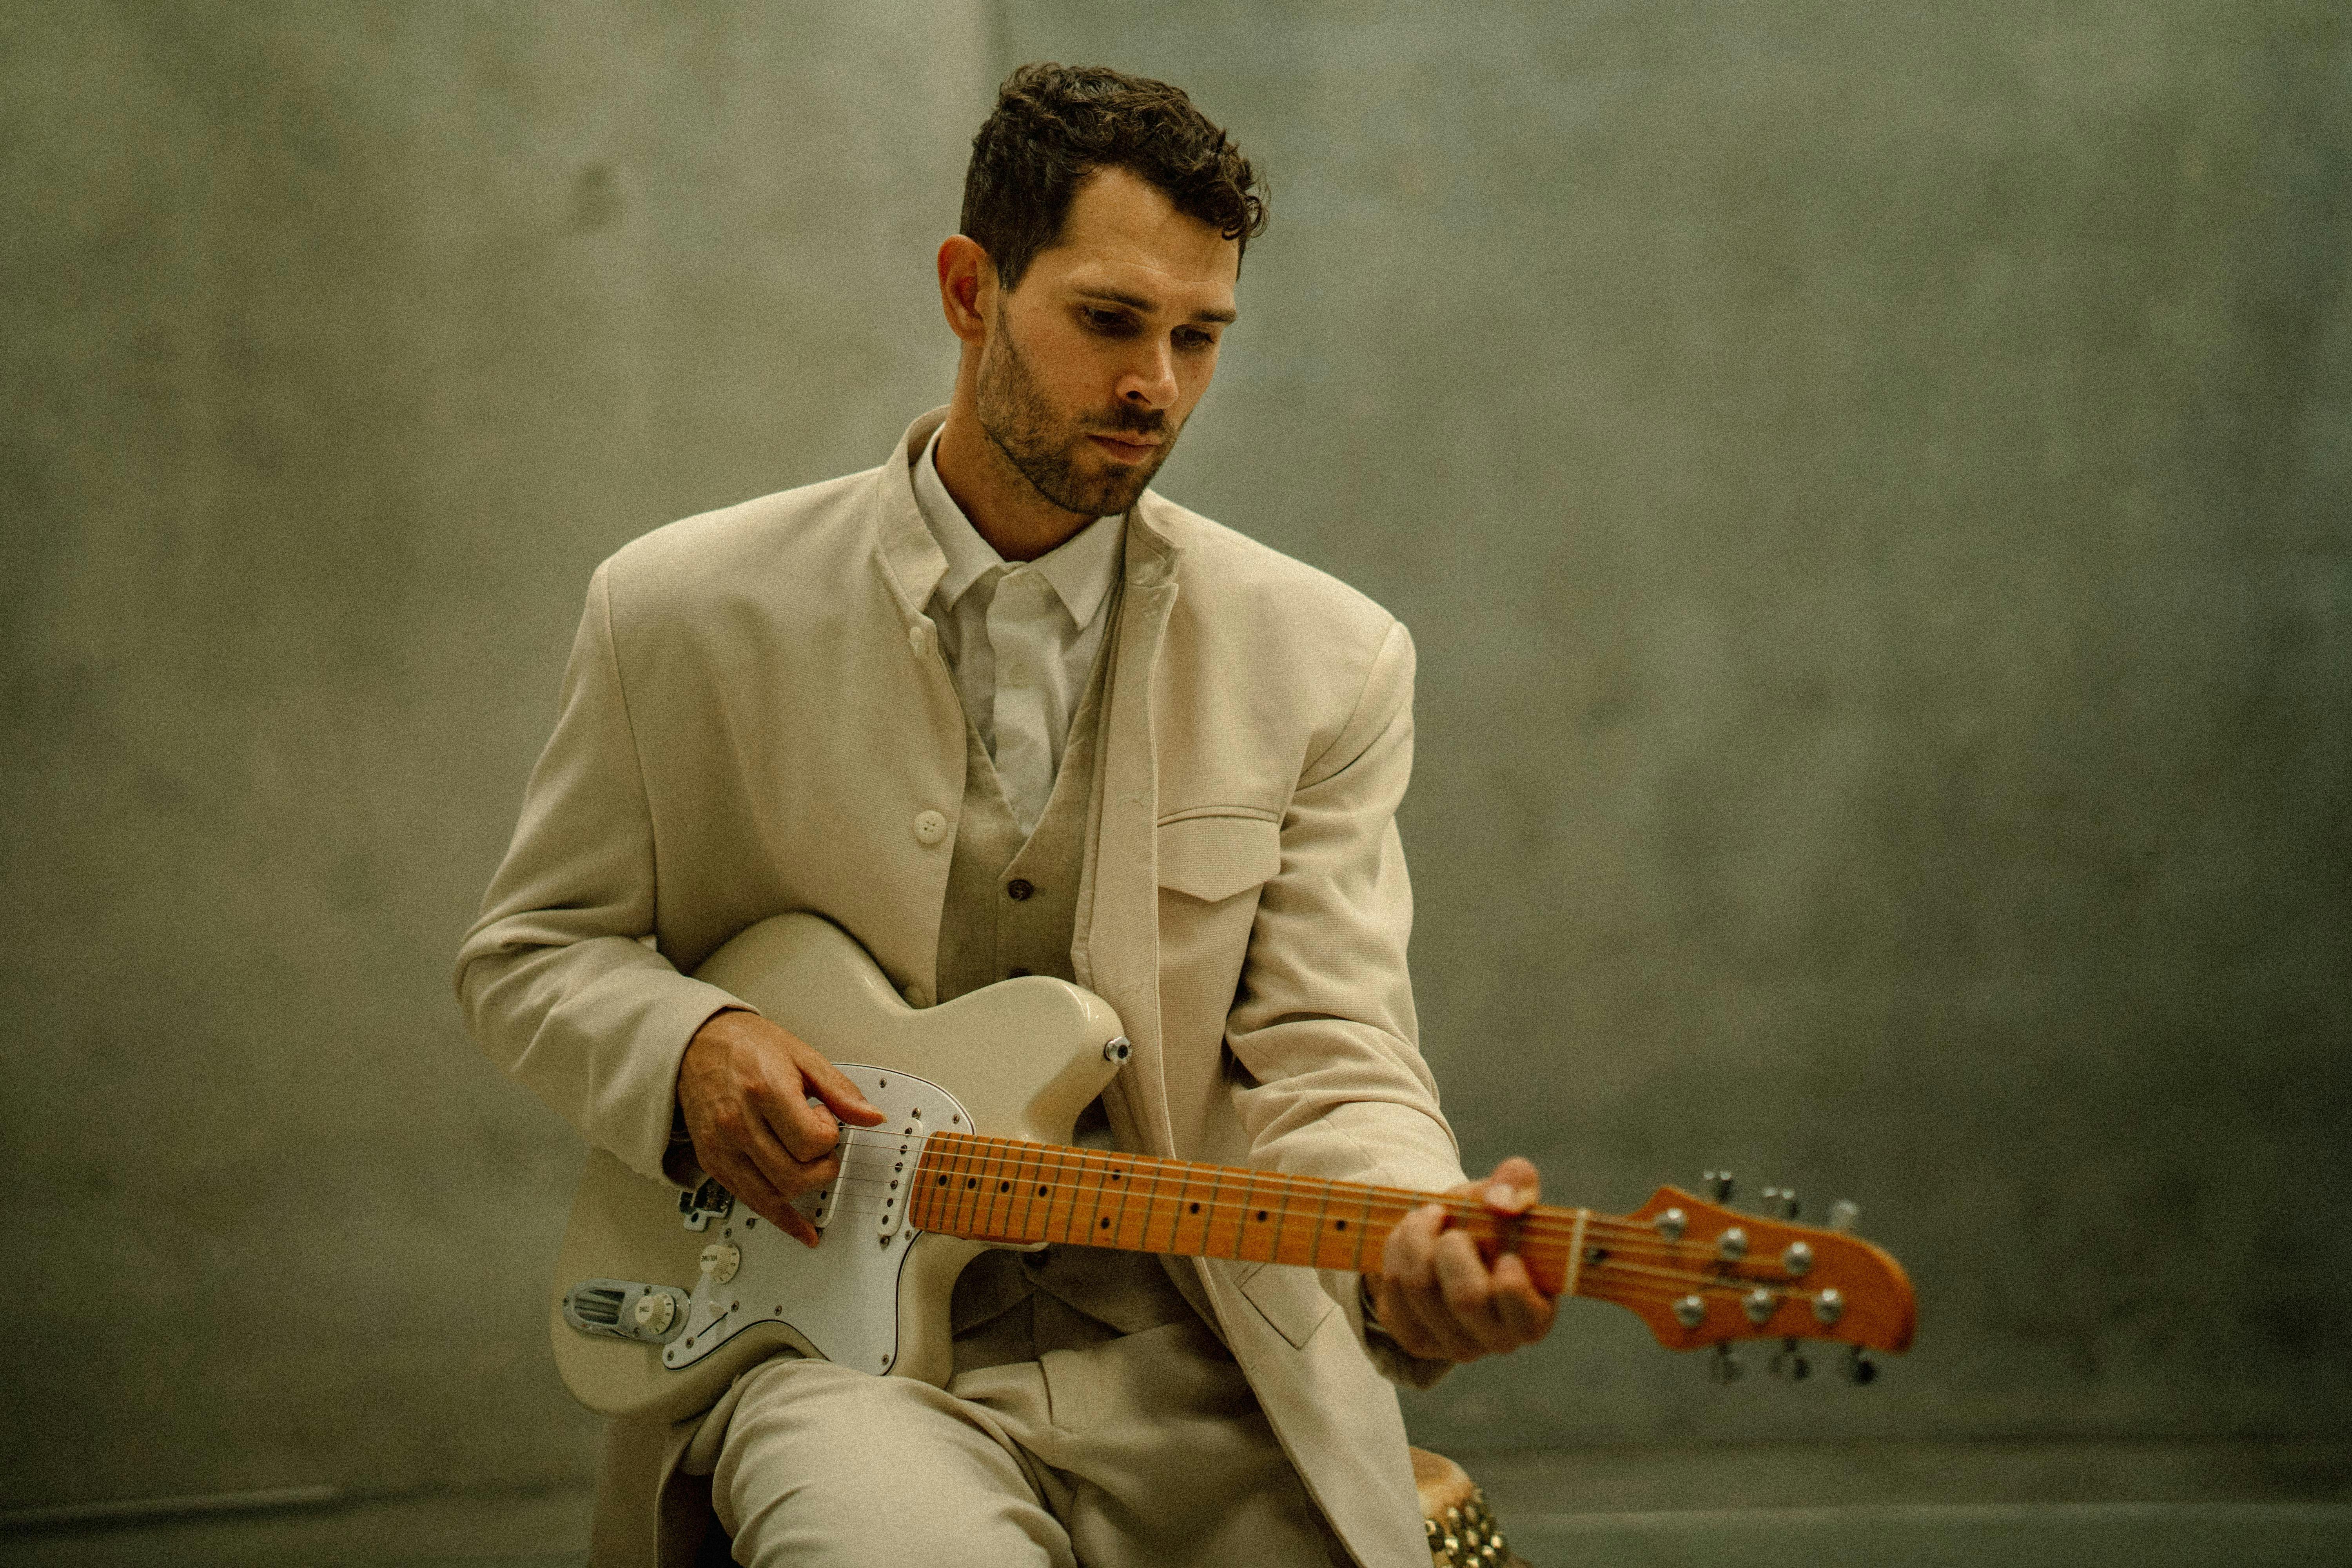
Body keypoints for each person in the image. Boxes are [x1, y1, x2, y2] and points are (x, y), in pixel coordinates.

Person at [457, 63, 1557, 1568]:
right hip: (830, 1365)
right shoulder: (683, 611)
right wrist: (690, 1050)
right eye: (1111, 320)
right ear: (970, 289)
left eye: (1200, 336)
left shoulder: (1326, 658)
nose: (1156, 384)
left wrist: (1412, 1229)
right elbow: (533, 952)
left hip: (1208, 1353)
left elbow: (1331, 1054)